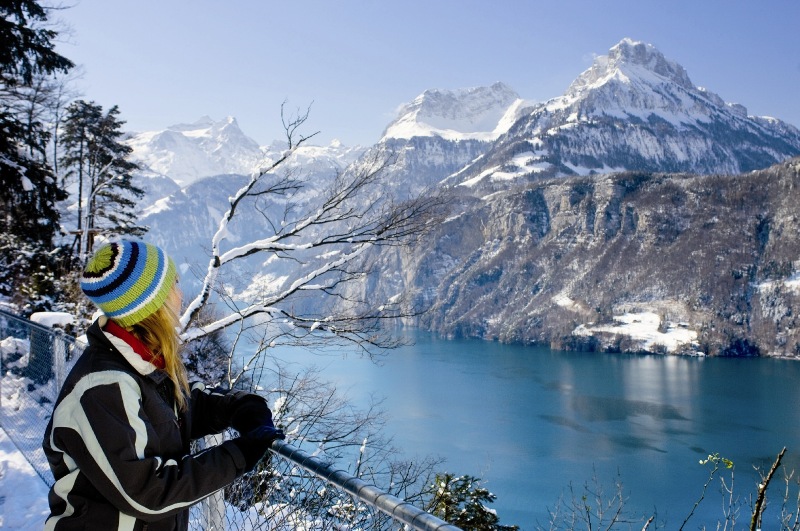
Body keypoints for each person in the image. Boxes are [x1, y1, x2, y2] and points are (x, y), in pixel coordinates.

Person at [42, 240, 284, 531]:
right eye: (175, 284)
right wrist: (238, 455)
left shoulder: (137, 363)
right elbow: (148, 491)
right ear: (151, 305)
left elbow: (176, 407)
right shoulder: (101, 387)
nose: (181, 294)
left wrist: (241, 407)